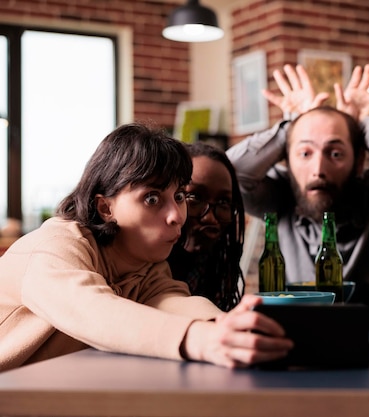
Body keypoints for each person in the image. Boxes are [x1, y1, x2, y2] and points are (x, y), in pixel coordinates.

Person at [0, 123, 293, 372]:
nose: (177, 215)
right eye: (152, 198)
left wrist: (229, 325)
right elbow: (94, 311)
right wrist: (202, 339)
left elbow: (174, 301)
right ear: (105, 207)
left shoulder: (144, 263)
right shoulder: (54, 248)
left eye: (178, 195)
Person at [227, 64, 369, 304]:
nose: (318, 170)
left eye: (335, 154)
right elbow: (229, 173)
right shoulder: (280, 197)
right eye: (304, 153)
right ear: (286, 159)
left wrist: (364, 123)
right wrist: (292, 125)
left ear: (358, 160)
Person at [167, 142, 245, 311]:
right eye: (194, 197)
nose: (210, 218)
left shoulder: (215, 266)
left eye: (224, 202)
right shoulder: (143, 271)